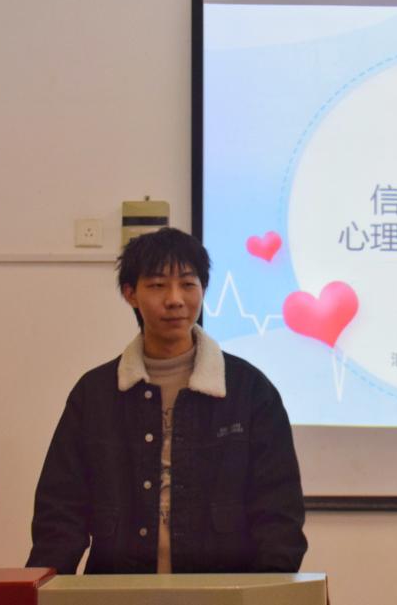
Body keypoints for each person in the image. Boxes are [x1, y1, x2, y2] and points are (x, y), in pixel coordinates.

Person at [27, 228, 307, 574]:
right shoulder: (95, 393)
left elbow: (279, 513)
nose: (175, 299)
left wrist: (266, 591)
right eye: (158, 285)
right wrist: (44, 587)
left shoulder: (249, 391)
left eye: (188, 284)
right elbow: (60, 511)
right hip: (117, 589)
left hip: (222, 591)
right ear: (130, 293)